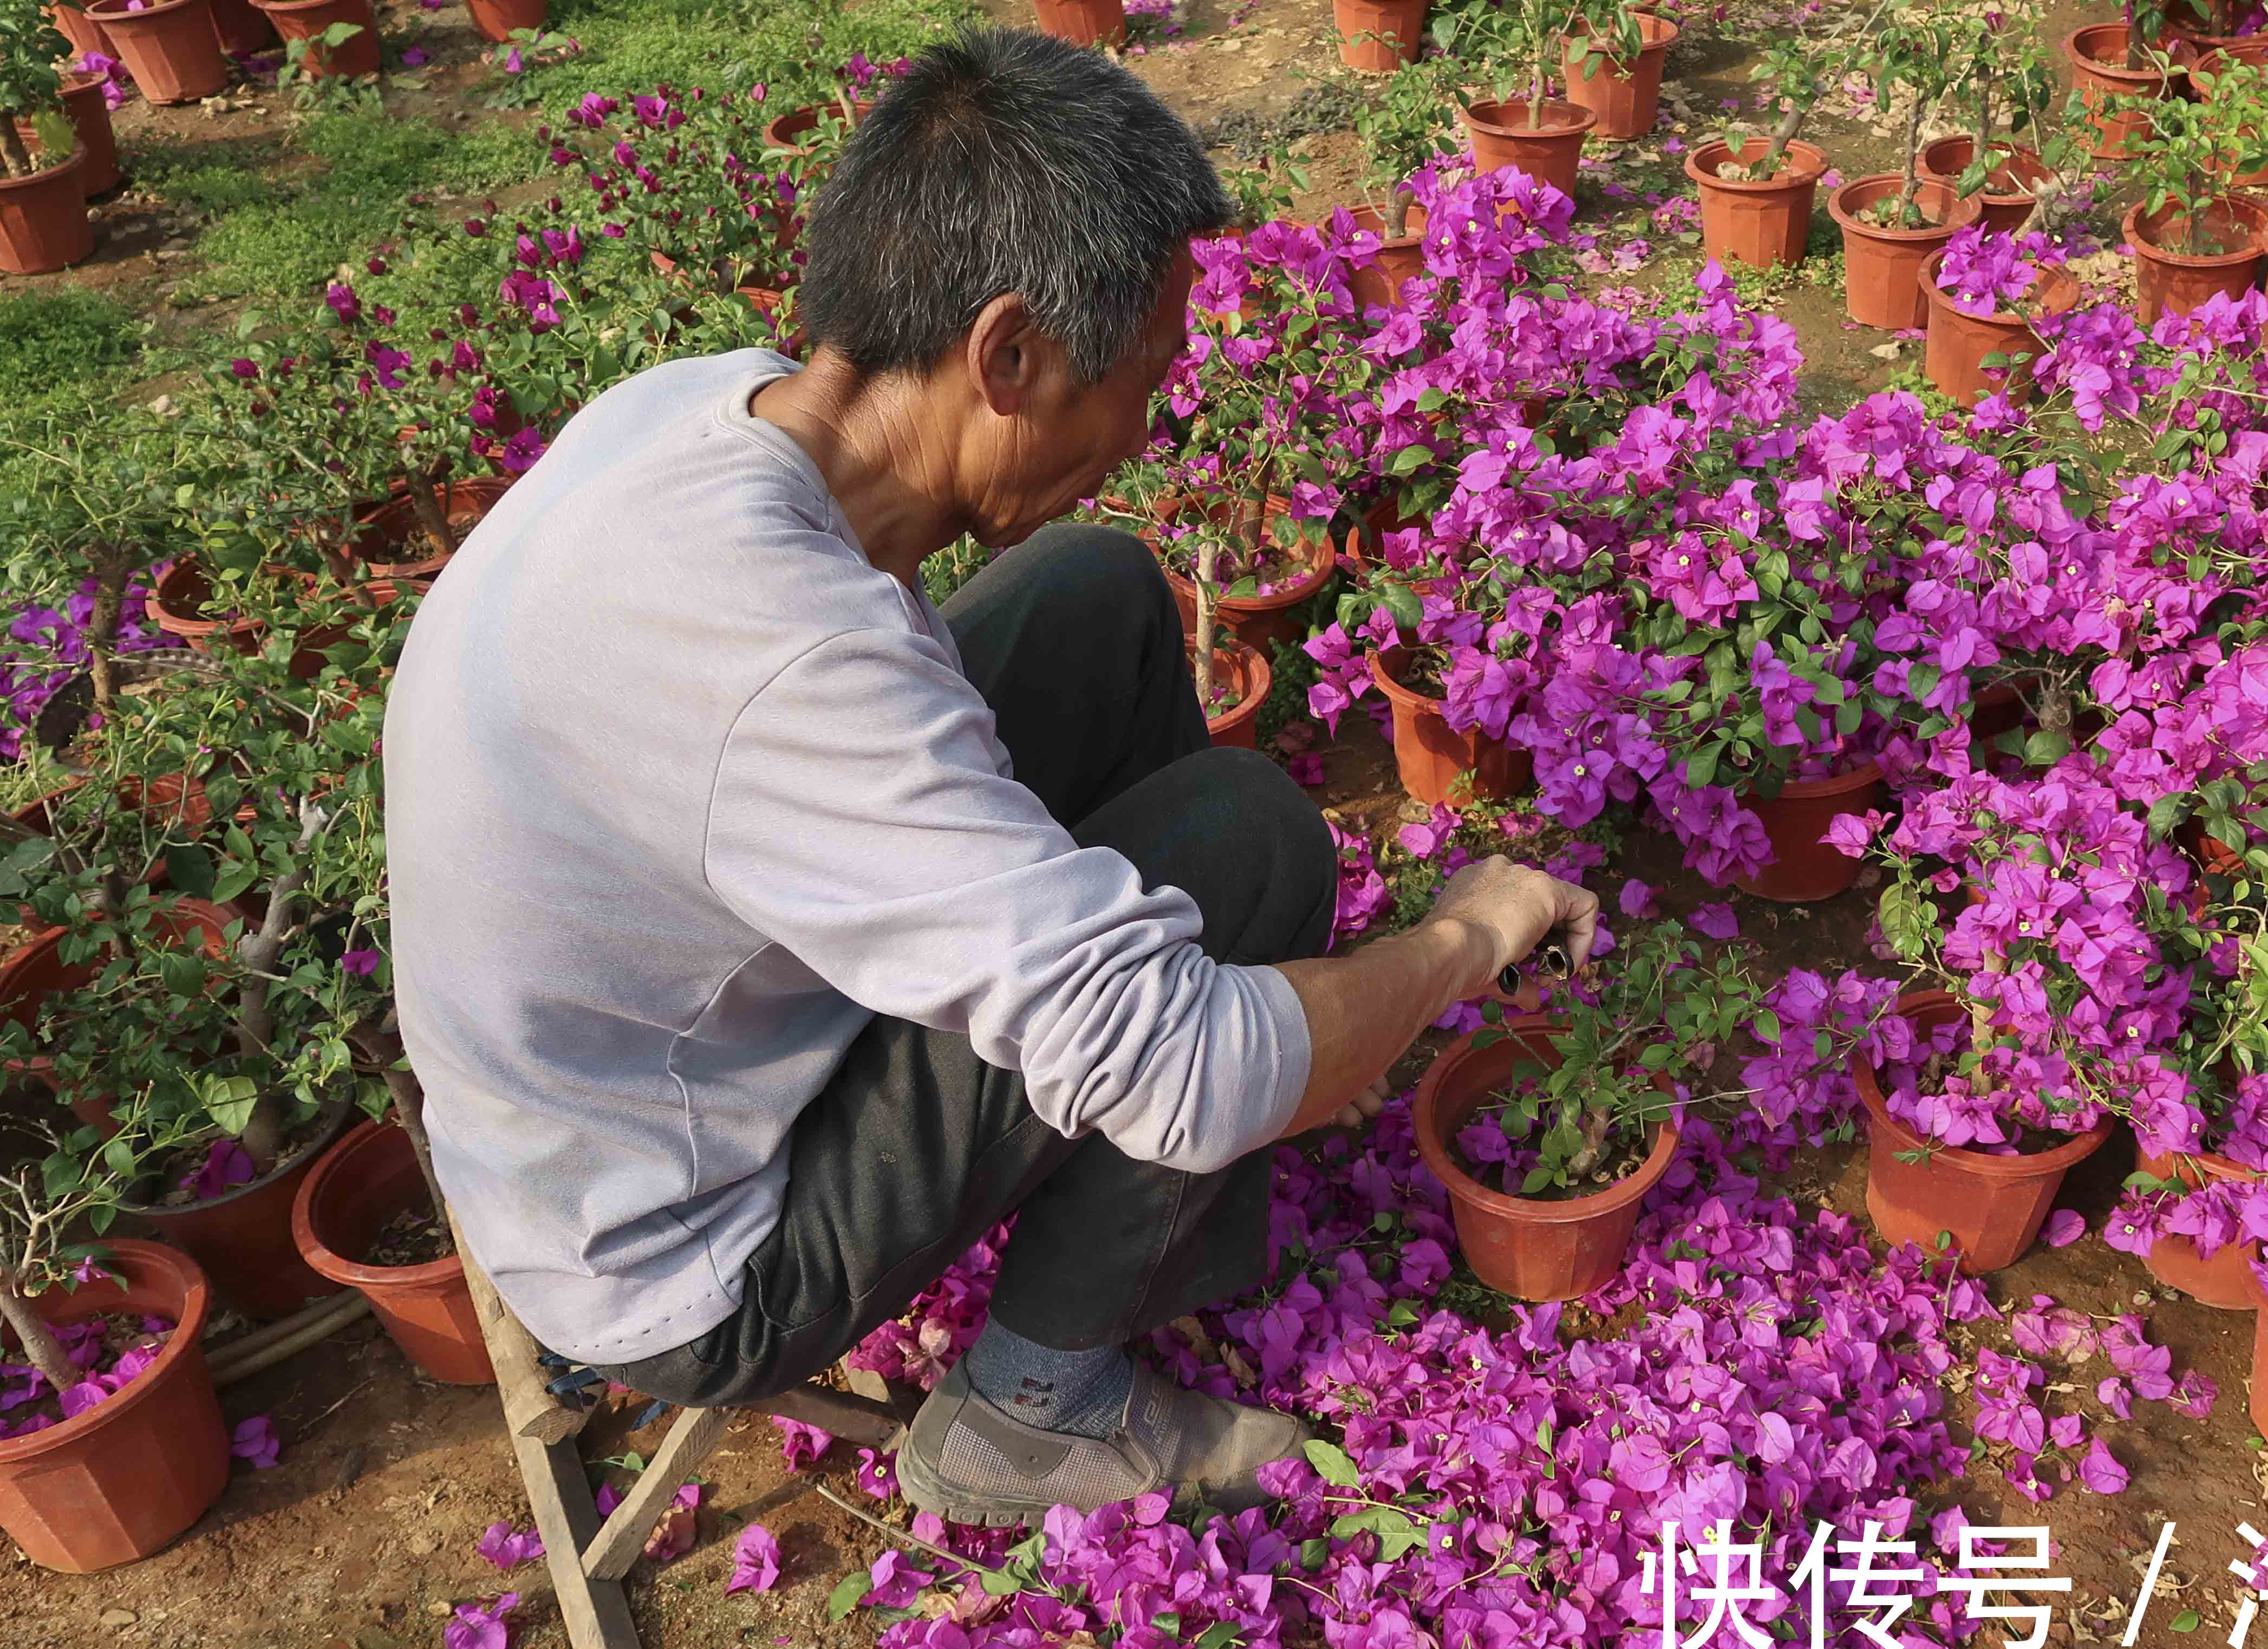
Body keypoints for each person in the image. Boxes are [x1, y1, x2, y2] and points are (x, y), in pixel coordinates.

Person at [381, 27, 1595, 1527]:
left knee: (1099, 592)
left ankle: (1159, 1113)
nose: (1146, 429)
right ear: (1007, 354)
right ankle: (1033, 1412)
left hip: (614, 1078)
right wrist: (1467, 935)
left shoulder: (712, 409)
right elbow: (1182, 1063)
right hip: (679, 1250)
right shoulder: (784, 666)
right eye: (1142, 379)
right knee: (1250, 847)